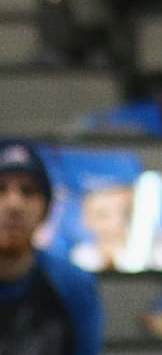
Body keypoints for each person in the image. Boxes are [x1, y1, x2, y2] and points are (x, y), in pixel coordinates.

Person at [0, 139, 101, 355]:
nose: (14, 205)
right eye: (0, 189)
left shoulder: (73, 285)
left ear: (45, 209)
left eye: (28, 191)